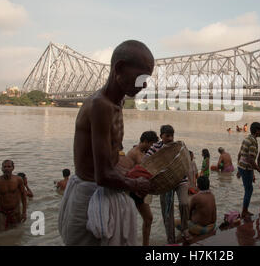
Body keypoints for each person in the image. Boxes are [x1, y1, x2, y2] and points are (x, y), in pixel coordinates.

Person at [58, 40, 154, 246]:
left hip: (100, 190)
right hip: (90, 196)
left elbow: (110, 159)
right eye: (142, 78)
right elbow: (102, 176)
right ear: (119, 68)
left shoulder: (117, 102)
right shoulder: (100, 105)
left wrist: (127, 172)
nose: (145, 85)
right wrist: (135, 184)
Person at [144, 125, 191, 244]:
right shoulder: (156, 147)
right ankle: (171, 239)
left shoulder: (176, 146)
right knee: (167, 212)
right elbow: (146, 160)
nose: (170, 138)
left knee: (184, 203)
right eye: (167, 136)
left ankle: (185, 228)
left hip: (180, 179)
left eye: (172, 136)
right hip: (164, 182)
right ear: (161, 136)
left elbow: (187, 158)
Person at [125, 131, 159, 246]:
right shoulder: (133, 153)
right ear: (145, 142)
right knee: (128, 221)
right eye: (152, 145)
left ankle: (146, 244)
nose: (152, 147)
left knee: (148, 219)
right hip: (130, 193)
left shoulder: (145, 153)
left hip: (140, 192)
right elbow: (125, 173)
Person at [236, 122, 260, 218]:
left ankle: (245, 210)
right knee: (249, 190)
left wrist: (239, 169)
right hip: (245, 168)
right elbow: (251, 160)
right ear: (257, 131)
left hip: (242, 167)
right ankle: (244, 211)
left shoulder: (247, 138)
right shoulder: (253, 142)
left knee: (248, 189)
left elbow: (240, 154)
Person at [0, 160, 27, 230]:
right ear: (2, 169)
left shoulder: (18, 180)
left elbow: (23, 196)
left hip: (15, 211)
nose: (7, 168)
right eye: (5, 167)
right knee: (0, 233)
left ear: (13, 168)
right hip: (2, 212)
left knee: (17, 232)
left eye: (9, 166)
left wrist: (24, 212)